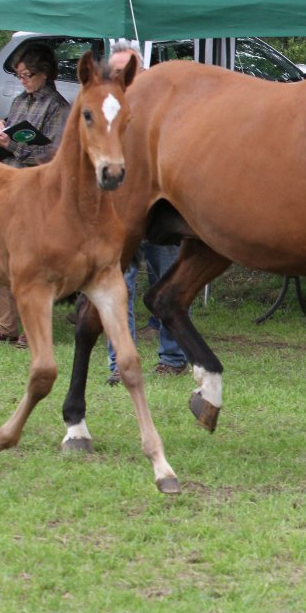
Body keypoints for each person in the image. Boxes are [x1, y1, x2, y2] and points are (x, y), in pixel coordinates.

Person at [104, 40, 189, 383]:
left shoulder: (163, 108)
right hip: (119, 212)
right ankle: (119, 363)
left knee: (171, 279)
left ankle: (173, 356)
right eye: (114, 72)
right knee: (117, 285)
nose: (121, 77)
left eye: (127, 71)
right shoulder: (106, 110)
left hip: (161, 211)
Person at [0, 44, 70, 346]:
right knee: (0, 252)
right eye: (19, 75)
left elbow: (53, 157)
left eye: (27, 75)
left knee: (34, 261)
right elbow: (12, 136)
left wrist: (10, 145)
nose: (23, 81)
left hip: (38, 189)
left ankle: (33, 328)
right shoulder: (18, 101)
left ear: (46, 74)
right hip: (9, 183)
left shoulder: (59, 107)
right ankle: (3, 325)